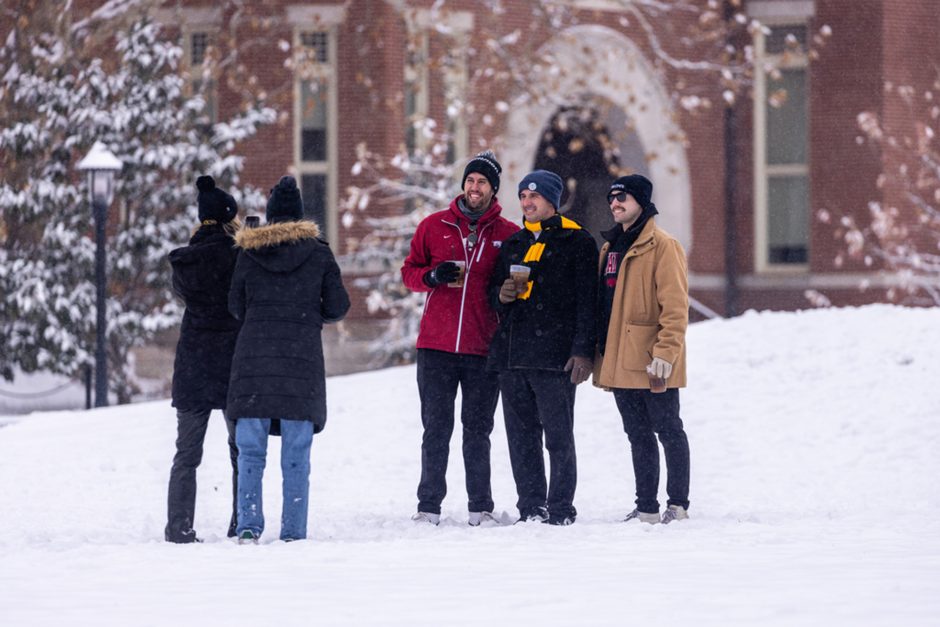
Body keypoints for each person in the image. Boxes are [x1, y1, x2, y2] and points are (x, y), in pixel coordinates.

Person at [227, 175, 350, 543]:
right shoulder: (319, 252)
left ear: (269, 216)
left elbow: (235, 306)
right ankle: (293, 531)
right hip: (301, 366)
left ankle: (248, 524)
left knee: (250, 453)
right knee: (296, 455)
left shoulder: (249, 254)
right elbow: (339, 306)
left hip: (253, 366)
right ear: (300, 216)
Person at [401, 150, 519, 526]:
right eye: (470, 180)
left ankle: (480, 506)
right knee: (436, 428)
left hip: (482, 349)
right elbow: (409, 273)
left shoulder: (508, 235)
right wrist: (432, 277)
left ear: (493, 189)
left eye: (482, 182)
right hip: (435, 347)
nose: (474, 187)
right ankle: (428, 506)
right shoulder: (433, 226)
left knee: (478, 430)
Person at [486, 169, 598, 526]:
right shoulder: (515, 243)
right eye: (522, 197)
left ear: (552, 200)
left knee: (558, 436)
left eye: (535, 197)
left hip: (555, 356)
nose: (528, 203)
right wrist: (501, 295)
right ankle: (531, 506)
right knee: (521, 438)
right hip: (513, 355)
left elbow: (588, 302)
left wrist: (583, 351)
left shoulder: (577, 241)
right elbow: (493, 295)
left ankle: (561, 507)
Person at [592, 174, 691, 524]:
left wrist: (666, 354)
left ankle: (678, 504)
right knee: (636, 434)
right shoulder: (610, 248)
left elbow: (676, 308)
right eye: (612, 198)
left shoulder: (664, 246)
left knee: (668, 429)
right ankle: (646, 506)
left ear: (642, 203)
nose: (615, 204)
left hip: (653, 361)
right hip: (620, 360)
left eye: (623, 198)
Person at [165, 175, 242, 543]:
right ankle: (242, 520)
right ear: (230, 219)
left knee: (186, 454)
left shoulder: (185, 263)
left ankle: (179, 526)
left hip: (194, 362)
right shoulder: (239, 255)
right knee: (242, 450)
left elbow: (186, 298)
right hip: (232, 363)